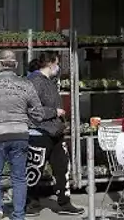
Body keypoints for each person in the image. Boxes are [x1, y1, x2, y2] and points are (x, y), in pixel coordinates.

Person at [0, 50, 44, 220]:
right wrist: (27, 123)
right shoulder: (26, 84)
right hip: (20, 133)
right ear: (16, 65)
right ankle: (19, 215)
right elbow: (39, 113)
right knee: (19, 177)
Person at [25, 51, 84, 216]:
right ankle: (31, 203)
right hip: (39, 132)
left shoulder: (48, 81)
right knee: (35, 169)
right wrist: (54, 111)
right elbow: (30, 109)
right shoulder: (34, 82)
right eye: (57, 63)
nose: (58, 67)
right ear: (50, 63)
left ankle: (64, 202)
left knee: (62, 167)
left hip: (55, 132)